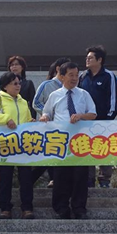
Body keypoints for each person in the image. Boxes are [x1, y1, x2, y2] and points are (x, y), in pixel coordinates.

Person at [40, 62, 97, 219]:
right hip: (61, 142)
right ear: (62, 76)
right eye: (70, 75)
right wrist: (44, 117)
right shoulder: (55, 95)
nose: (74, 78)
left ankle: (79, 208)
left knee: (80, 176)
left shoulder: (84, 94)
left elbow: (93, 114)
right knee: (60, 176)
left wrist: (81, 116)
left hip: (80, 141)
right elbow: (47, 113)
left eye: (76, 75)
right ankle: (61, 207)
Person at [0, 71, 35, 220]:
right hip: (5, 144)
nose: (18, 86)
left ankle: (27, 207)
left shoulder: (23, 101)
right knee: (5, 177)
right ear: (5, 86)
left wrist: (31, 122)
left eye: (19, 83)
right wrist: (6, 119)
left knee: (26, 178)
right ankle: (5, 208)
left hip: (23, 144)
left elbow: (26, 119)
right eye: (14, 83)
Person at [79, 45, 117, 188]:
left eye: (90, 58)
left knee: (104, 150)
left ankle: (104, 180)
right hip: (86, 122)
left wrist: (108, 119)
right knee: (86, 150)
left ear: (100, 60)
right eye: (87, 58)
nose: (87, 60)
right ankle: (89, 180)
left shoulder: (109, 76)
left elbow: (113, 99)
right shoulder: (82, 76)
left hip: (103, 121)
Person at [32, 57, 70, 187]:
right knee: (49, 153)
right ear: (58, 69)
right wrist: (48, 113)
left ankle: (55, 180)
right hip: (48, 126)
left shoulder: (71, 87)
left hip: (65, 127)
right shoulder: (47, 85)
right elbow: (36, 102)